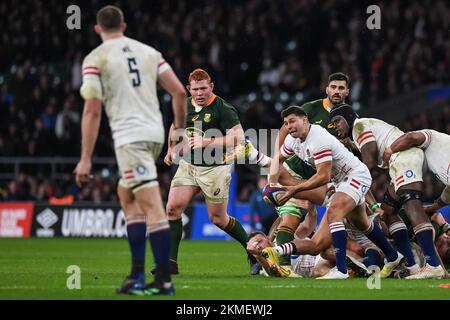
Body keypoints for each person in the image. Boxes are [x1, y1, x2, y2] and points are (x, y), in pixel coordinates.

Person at [73, 5, 187, 296]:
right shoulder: (149, 52)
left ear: (98, 29)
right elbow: (179, 92)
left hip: (131, 138)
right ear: (123, 25)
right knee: (126, 193)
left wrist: (85, 157)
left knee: (151, 203)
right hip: (154, 135)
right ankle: (136, 275)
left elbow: (92, 110)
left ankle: (163, 280)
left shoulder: (95, 58)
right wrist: (180, 130)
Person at [263, 106, 403, 279]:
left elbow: (323, 176)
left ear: (305, 120)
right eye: (285, 123)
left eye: (292, 121)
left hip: (355, 175)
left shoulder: (318, 137)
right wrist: (272, 184)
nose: (289, 126)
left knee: (335, 212)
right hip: (339, 182)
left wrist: (294, 190)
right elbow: (277, 160)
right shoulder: (292, 141)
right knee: (357, 226)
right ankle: (393, 255)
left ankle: (342, 271)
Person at [330, 104, 446, 279]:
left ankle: (433, 265)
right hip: (401, 161)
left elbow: (369, 161)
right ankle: (412, 265)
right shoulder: (359, 133)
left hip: (405, 156)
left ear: (347, 117)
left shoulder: (359, 125)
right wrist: (354, 148)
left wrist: (350, 182)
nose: (335, 126)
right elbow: (375, 161)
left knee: (412, 205)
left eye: (337, 121)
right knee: (388, 211)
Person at [163, 68, 260, 275]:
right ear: (189, 89)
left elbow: (239, 137)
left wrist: (205, 141)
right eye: (195, 89)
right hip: (188, 165)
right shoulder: (185, 105)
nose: (199, 93)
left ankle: (252, 252)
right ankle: (170, 262)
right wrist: (171, 148)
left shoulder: (223, 108)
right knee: (172, 209)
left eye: (203, 88)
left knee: (218, 219)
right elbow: (175, 126)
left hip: (215, 168)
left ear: (211, 87)